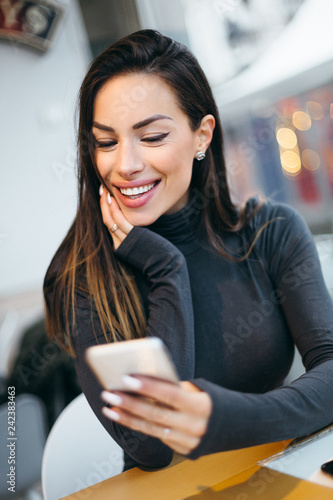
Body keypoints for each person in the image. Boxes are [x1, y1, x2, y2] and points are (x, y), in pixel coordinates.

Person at [44, 29, 333, 471]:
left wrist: (225, 419)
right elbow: (152, 446)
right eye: (106, 142)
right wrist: (165, 269)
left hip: (279, 477)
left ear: (202, 136)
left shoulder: (269, 232)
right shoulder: (82, 276)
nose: (125, 165)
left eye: (152, 136)